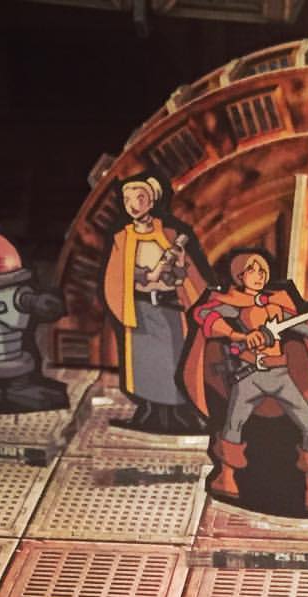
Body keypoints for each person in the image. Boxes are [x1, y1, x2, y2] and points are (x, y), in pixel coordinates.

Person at [184, 249, 308, 515]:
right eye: (252, 270)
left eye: (262, 270)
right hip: (249, 376)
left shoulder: (276, 307)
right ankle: (225, 477)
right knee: (233, 426)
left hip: (280, 375)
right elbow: (204, 316)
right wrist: (239, 336)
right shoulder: (232, 304)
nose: (259, 275)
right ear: (239, 276)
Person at [102, 174, 210, 433]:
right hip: (140, 310)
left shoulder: (169, 234)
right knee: (144, 363)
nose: (133, 205)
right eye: (128, 199)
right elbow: (117, 274)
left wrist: (179, 265)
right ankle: (149, 413)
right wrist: (143, 275)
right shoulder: (122, 238)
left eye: (140, 198)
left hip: (169, 309)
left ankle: (180, 415)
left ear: (151, 202)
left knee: (174, 360)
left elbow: (184, 277)